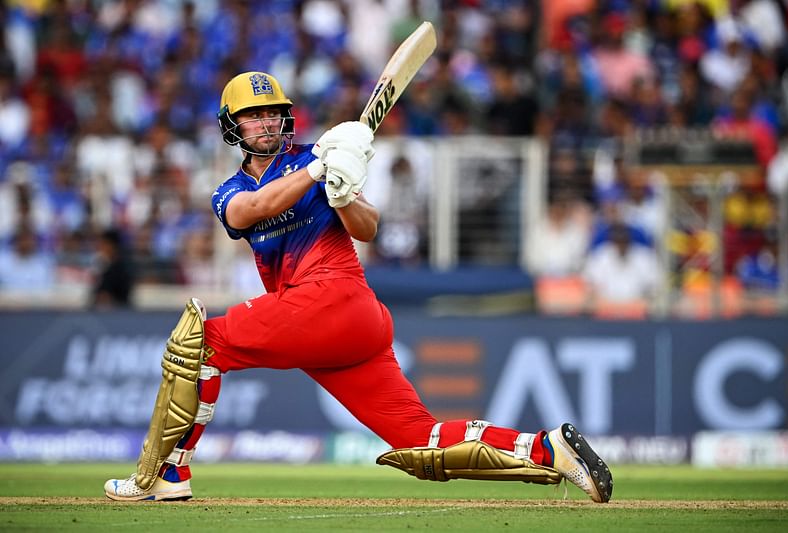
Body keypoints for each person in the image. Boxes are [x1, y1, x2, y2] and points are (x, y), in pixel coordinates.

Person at [104, 71, 613, 503]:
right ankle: (548, 449)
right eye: (253, 115)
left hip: (337, 298)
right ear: (232, 127)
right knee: (419, 440)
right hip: (332, 323)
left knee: (202, 345)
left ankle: (167, 475)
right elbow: (251, 211)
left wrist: (343, 190)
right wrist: (316, 168)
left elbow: (367, 228)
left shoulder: (320, 158)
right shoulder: (236, 187)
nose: (264, 122)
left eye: (272, 113)